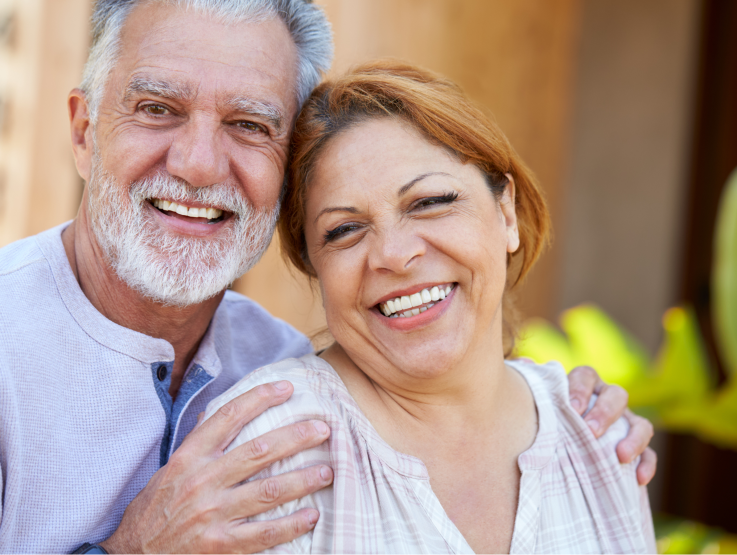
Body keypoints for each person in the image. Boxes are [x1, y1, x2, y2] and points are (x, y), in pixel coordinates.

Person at [0, 1, 654, 553]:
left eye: (248, 124)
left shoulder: (278, 363)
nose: (199, 165)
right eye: (157, 108)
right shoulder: (289, 427)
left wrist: (568, 409)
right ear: (84, 133)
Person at [203, 60, 657, 553]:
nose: (395, 256)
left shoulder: (597, 434)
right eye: (344, 230)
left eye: (430, 202)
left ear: (505, 213)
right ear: (316, 267)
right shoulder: (274, 446)